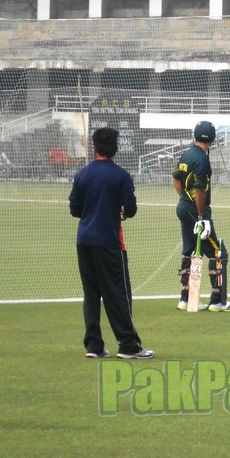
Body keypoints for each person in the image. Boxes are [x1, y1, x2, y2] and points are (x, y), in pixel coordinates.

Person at [69, 127, 153, 359]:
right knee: (119, 294)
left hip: (84, 241)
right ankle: (129, 346)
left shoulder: (82, 175)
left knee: (91, 294)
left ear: (93, 148)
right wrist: (120, 212)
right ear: (115, 149)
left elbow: (75, 209)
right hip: (109, 242)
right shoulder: (121, 176)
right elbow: (131, 209)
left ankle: (93, 346)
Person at [172, 121, 230, 312]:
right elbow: (200, 190)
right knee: (217, 252)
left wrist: (184, 199)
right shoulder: (202, 159)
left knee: (190, 250)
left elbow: (176, 178)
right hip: (196, 211)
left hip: (184, 208)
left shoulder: (187, 153)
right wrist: (201, 215)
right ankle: (218, 301)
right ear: (212, 138)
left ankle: (186, 299)